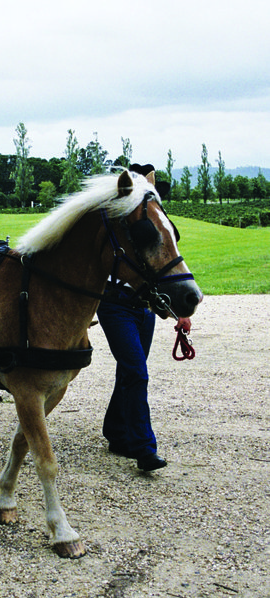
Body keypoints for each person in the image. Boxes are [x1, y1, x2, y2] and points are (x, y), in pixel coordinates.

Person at [97, 163, 192, 472]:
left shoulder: (148, 218)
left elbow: (160, 264)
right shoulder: (118, 220)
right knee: (136, 371)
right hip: (115, 304)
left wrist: (178, 313)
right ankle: (143, 448)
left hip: (143, 306)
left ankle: (115, 430)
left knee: (130, 371)